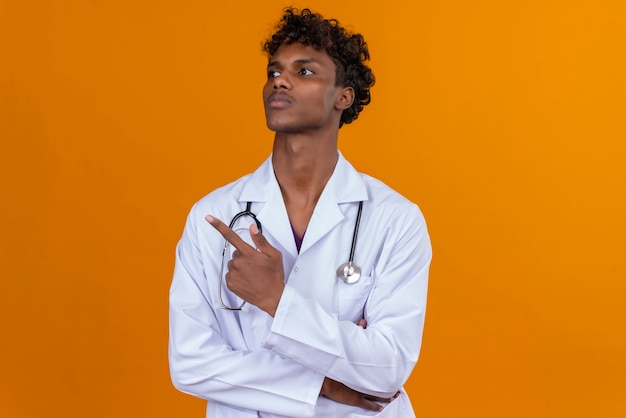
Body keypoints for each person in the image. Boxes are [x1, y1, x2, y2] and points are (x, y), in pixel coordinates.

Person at [168, 7, 431, 417]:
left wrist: (275, 299)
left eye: (304, 72)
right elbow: (190, 363)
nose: (280, 80)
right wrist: (322, 381)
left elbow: (387, 367)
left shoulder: (395, 219)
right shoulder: (214, 215)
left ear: (343, 96)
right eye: (274, 71)